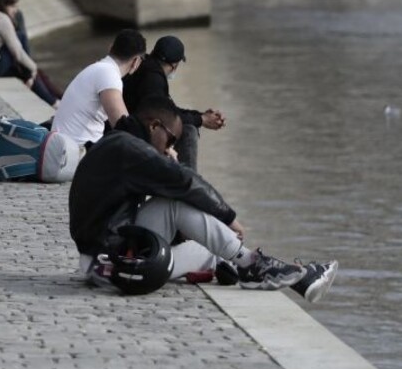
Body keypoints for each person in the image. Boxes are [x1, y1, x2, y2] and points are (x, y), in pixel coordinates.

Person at [69, 97, 338, 301]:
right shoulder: (129, 149)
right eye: (170, 140)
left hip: (105, 255)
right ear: (154, 126)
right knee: (184, 218)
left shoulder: (117, 143)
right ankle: (262, 267)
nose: (170, 148)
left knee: (214, 250)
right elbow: (184, 182)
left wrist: (166, 160)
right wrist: (228, 216)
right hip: (116, 264)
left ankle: (290, 275)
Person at [121, 36, 223, 169]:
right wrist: (201, 120)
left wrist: (200, 116)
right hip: (134, 134)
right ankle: (188, 177)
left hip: (129, 128)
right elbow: (166, 115)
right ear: (175, 65)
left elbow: (169, 109)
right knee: (188, 131)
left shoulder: (145, 66)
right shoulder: (153, 79)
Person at [51, 30, 147, 149]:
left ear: (111, 47)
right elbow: (124, 127)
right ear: (136, 61)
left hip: (62, 147)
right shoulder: (109, 74)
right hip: (74, 152)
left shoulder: (97, 69)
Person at [0, 0, 61, 107]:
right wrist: (33, 68)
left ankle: (53, 100)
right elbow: (17, 52)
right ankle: (53, 101)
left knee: (23, 68)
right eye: (13, 6)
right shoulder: (2, 19)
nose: (16, 10)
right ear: (4, 5)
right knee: (20, 38)